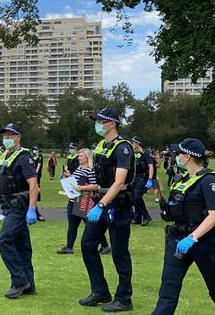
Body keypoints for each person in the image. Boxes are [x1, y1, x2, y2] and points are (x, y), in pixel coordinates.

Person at [152, 138, 215, 314]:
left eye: (178, 154)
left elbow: (214, 215)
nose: (176, 156)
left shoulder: (209, 181)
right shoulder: (183, 179)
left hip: (204, 242)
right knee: (168, 288)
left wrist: (193, 237)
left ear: (187, 157)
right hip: (178, 237)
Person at [79, 108, 135, 312]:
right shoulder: (102, 145)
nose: (98, 125)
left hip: (117, 206)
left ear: (112, 123)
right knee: (87, 244)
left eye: (101, 122)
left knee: (119, 252)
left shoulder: (123, 148)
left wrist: (102, 204)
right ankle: (100, 290)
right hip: (100, 202)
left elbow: (119, 182)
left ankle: (124, 298)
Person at [0, 123, 40, 299]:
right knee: (22, 247)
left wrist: (32, 208)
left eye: (10, 135)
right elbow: (2, 182)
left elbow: (34, 185)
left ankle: (19, 281)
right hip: (8, 205)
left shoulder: (24, 157)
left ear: (18, 137)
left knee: (4, 240)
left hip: (19, 207)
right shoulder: (6, 155)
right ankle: (29, 285)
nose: (6, 138)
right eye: (4, 135)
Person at [57, 148, 110, 255]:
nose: (78, 158)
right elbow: (76, 182)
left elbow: (95, 185)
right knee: (72, 224)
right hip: (74, 198)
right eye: (79, 156)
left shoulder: (90, 170)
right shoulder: (79, 168)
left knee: (91, 224)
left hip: (84, 200)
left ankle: (104, 245)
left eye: (81, 156)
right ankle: (69, 247)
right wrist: (69, 175)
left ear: (87, 158)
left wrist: (81, 188)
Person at [131, 135, 154, 226]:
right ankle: (137, 218)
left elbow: (151, 167)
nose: (132, 144)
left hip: (143, 178)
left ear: (137, 143)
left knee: (137, 196)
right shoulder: (133, 153)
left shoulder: (146, 154)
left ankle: (146, 216)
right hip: (134, 178)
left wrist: (150, 179)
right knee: (134, 198)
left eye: (133, 142)